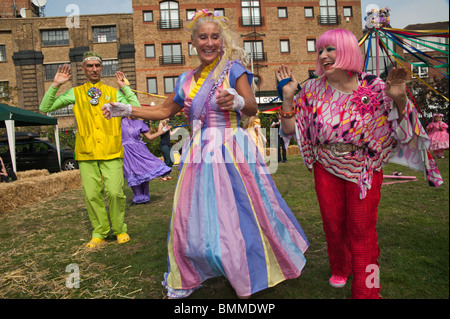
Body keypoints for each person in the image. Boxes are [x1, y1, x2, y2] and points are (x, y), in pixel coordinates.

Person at [103, 9, 309, 299]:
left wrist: (237, 100)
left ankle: (246, 265)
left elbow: (252, 107)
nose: (209, 42)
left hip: (231, 148)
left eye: (215, 37)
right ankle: (199, 264)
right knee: (193, 215)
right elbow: (163, 111)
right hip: (199, 152)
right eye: (203, 37)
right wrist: (126, 109)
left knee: (242, 212)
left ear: (222, 41)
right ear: (193, 41)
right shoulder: (185, 79)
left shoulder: (233, 68)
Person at [277, 29, 443, 299]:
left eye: (330, 49)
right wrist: (287, 98)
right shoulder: (310, 89)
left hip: (365, 168)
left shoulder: (375, 87)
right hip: (325, 166)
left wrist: (399, 98)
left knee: (361, 229)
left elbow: (404, 133)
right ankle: (341, 267)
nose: (324, 56)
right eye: (320, 51)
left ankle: (367, 289)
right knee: (333, 225)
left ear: (347, 50)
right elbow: (289, 130)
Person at [39, 51, 141, 249]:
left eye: (97, 65)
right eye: (90, 66)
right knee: (92, 194)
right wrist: (55, 85)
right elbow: (46, 107)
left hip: (111, 150)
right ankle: (100, 231)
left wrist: (125, 89)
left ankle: (120, 229)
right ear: (84, 69)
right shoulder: (75, 93)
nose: (94, 69)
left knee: (115, 192)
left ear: (101, 68)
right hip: (86, 152)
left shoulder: (112, 92)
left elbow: (135, 107)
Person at [121, 115, 171, 205]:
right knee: (130, 172)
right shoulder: (119, 121)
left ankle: (145, 196)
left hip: (140, 150)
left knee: (143, 171)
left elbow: (150, 137)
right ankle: (138, 197)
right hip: (126, 151)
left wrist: (163, 131)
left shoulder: (140, 123)